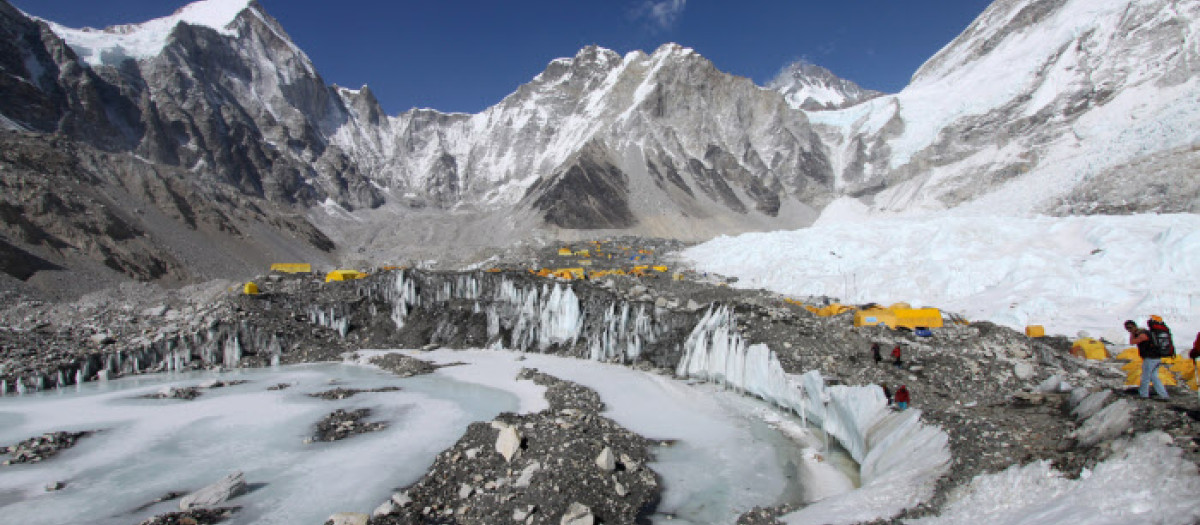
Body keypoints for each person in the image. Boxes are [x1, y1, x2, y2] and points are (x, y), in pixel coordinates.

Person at [1125, 320, 1168, 400]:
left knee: (1146, 376)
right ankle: (1164, 395)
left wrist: (1132, 334)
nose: (1129, 330)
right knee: (1154, 377)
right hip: (1156, 358)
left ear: (1134, 326)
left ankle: (1143, 394)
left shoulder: (1142, 333)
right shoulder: (1145, 332)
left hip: (1150, 358)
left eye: (1130, 328)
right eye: (1127, 329)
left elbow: (1132, 342)